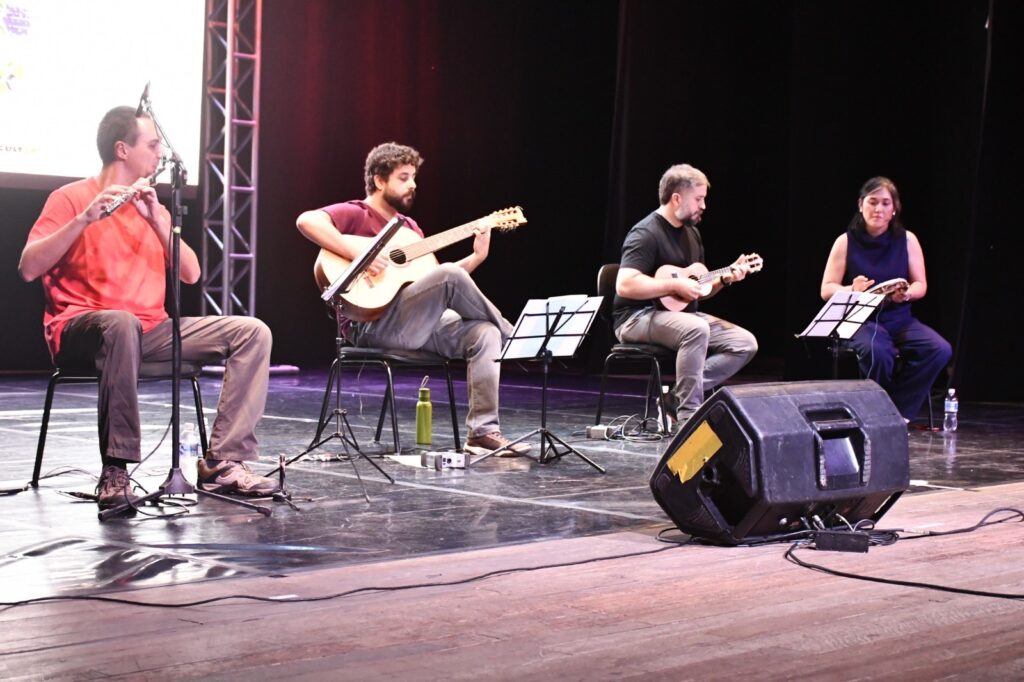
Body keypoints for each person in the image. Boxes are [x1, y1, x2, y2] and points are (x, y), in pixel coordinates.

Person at [18, 106, 279, 513]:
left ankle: (223, 460)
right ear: (122, 149)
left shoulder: (149, 206)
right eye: (153, 144)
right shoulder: (69, 198)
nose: (161, 154)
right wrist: (85, 219)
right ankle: (116, 468)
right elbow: (29, 267)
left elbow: (191, 273)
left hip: (150, 332)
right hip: (82, 330)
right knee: (120, 324)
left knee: (252, 331)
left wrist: (156, 219)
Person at [295, 142, 530, 457]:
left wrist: (476, 257)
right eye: (404, 177)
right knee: (455, 282)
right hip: (371, 325)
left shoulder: (410, 229)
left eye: (413, 177)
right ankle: (516, 338)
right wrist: (359, 255)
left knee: (483, 334)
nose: (413, 184)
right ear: (379, 180)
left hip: (415, 323)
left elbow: (433, 282)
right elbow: (306, 221)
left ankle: (482, 433)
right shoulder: (356, 213)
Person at [613, 163, 759, 426]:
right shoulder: (646, 233)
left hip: (677, 316)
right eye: (699, 199)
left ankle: (675, 399)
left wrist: (724, 280)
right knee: (696, 329)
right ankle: (688, 417)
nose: (703, 206)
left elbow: (696, 292)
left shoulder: (692, 233)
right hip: (636, 317)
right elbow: (625, 285)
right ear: (677, 198)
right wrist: (673, 286)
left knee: (744, 342)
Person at [820, 176, 952, 422]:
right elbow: (826, 289)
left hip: (899, 318)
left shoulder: (907, 239)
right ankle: (875, 414)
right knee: (878, 351)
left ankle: (898, 413)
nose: (878, 209)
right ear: (861, 204)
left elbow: (920, 284)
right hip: (860, 321)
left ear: (894, 209)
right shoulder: (845, 241)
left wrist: (908, 293)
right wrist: (852, 289)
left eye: (885, 203)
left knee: (939, 349)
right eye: (872, 202)